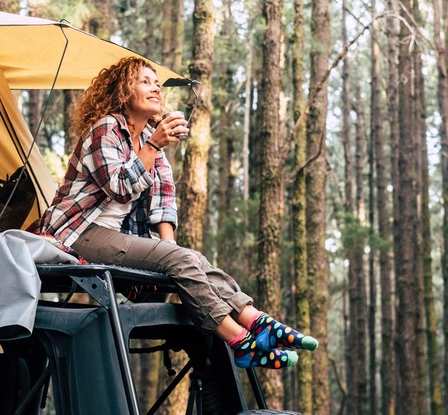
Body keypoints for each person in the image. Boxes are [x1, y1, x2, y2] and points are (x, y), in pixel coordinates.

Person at [36, 57, 317, 369]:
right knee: (181, 259)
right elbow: (119, 187)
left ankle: (257, 322)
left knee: (190, 258)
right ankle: (240, 341)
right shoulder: (107, 129)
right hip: (76, 234)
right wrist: (154, 146)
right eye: (144, 81)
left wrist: (170, 250)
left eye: (156, 83)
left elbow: (163, 201)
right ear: (123, 93)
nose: (156, 87)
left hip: (113, 236)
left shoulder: (148, 137)